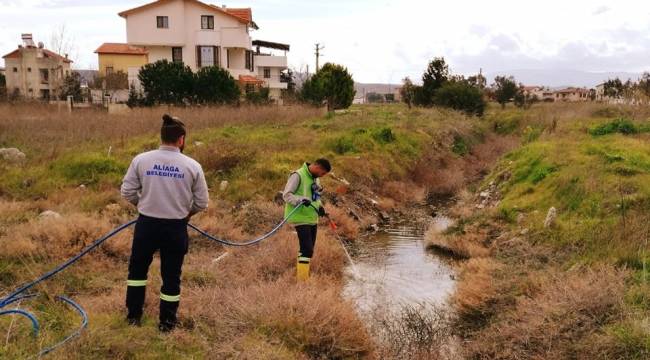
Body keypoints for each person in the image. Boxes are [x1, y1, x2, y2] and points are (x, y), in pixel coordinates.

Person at [120, 114, 209, 332]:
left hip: (146, 225)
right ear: (181, 139)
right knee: (171, 276)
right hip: (175, 227)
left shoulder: (141, 160)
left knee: (137, 272)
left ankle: (133, 317)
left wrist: (144, 205)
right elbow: (202, 202)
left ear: (162, 137)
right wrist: (187, 214)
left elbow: (127, 191)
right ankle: (167, 324)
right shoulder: (192, 166)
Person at [282, 159, 331, 281]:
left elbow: (315, 197)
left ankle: (301, 275)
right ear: (317, 167)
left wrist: (320, 208)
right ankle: (303, 281)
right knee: (307, 249)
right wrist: (301, 199)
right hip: (300, 217)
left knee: (308, 250)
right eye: (323, 173)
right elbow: (286, 195)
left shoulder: (316, 178)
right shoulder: (297, 175)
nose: (322, 176)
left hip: (312, 218)